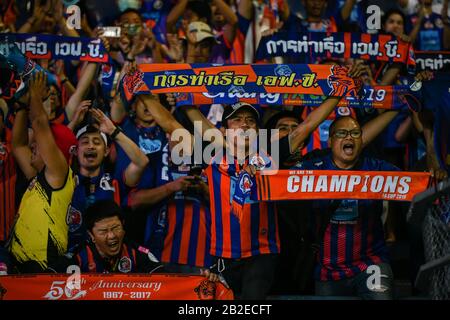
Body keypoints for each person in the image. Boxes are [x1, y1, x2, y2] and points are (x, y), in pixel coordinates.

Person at [294, 116, 400, 299]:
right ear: (331, 140)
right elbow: (278, 176)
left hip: (371, 264)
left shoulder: (377, 168)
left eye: (355, 133)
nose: (349, 137)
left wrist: (432, 174)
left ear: (361, 140)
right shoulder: (312, 168)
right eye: (342, 133)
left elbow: (412, 185)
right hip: (327, 270)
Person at [8, 72, 78, 273]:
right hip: (20, 266)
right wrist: (21, 107)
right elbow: (18, 145)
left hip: (44, 267)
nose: (33, 145)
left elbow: (39, 123)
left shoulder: (58, 173)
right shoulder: (39, 177)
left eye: (38, 144)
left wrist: (35, 96)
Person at [66, 107, 149, 253]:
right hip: (72, 258)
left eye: (97, 142)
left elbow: (141, 161)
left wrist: (113, 131)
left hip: (109, 257)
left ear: (106, 151)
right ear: (75, 150)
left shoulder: (115, 182)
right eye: (85, 142)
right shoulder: (62, 181)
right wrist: (72, 124)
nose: (91, 146)